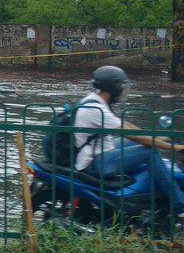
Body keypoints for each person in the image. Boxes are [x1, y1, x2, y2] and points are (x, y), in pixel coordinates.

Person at [73, 66, 184, 214]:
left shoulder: (94, 101)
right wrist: (176, 148)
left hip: (95, 151)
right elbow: (135, 136)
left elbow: (127, 126)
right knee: (150, 152)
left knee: (138, 142)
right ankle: (180, 205)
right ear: (113, 87)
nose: (123, 91)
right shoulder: (96, 110)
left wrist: (159, 137)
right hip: (94, 164)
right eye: (121, 86)